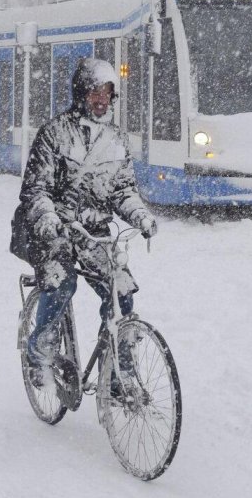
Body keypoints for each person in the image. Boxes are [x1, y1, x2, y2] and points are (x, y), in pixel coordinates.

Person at [16, 58, 158, 376]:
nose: (101, 99)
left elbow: (123, 191)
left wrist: (141, 216)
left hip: (93, 232)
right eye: (95, 91)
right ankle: (41, 349)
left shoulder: (117, 141)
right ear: (81, 93)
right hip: (54, 230)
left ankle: (118, 370)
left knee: (120, 290)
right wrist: (49, 218)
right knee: (61, 284)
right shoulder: (54, 134)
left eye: (107, 93)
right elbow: (35, 191)